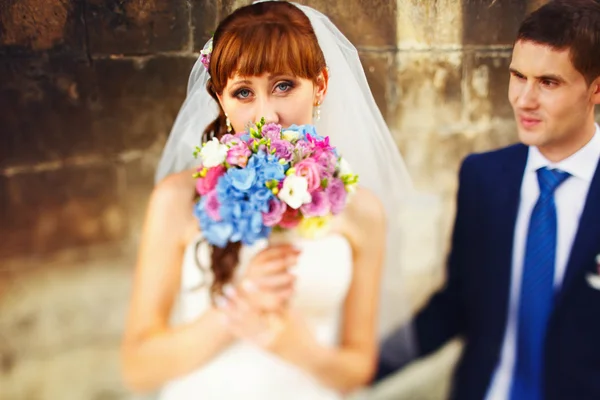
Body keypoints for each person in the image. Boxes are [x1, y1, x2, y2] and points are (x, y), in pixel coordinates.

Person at [120, 2, 413, 399]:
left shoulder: (361, 211)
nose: (267, 116)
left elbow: (358, 367)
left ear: (321, 84)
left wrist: (300, 349)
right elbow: (138, 369)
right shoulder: (176, 199)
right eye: (243, 92)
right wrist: (237, 311)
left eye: (284, 86)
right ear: (222, 100)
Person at [375, 1, 600, 399]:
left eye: (548, 82)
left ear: (596, 88)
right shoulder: (483, 177)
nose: (524, 99)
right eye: (518, 76)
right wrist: (358, 366)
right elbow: (457, 304)